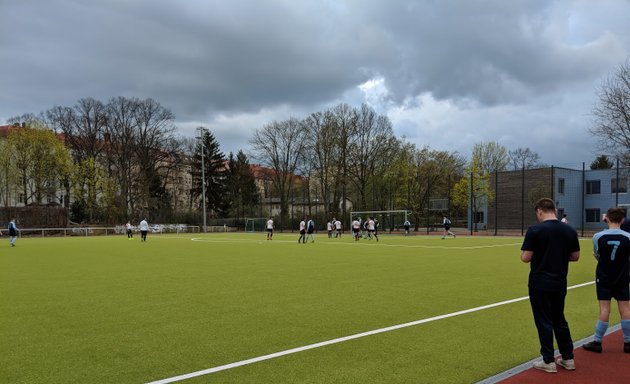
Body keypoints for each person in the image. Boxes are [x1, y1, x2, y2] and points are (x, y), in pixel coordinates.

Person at [520, 198, 580, 373]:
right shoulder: (569, 229)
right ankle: (568, 358)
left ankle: (548, 360)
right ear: (554, 209)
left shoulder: (535, 230)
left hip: (539, 283)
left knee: (543, 321)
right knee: (559, 319)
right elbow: (575, 256)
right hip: (559, 282)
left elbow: (525, 257)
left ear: (539, 211)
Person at [583, 207, 630, 354]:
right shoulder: (628, 237)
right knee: (625, 308)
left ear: (607, 218)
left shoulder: (598, 236)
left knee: (604, 309)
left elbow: (597, 254)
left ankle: (597, 342)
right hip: (622, 276)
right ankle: (628, 343)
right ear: (622, 220)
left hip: (604, 277)